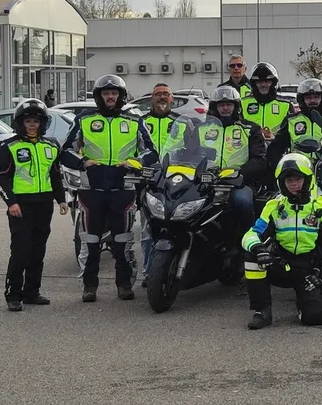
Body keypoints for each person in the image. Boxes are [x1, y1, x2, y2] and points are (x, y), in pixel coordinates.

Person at [60, 75, 157, 302]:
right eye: (106, 93)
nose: (110, 97)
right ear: (99, 97)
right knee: (90, 241)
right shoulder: (84, 120)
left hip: (123, 190)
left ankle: (124, 285)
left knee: (122, 241)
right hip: (91, 190)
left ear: (121, 96)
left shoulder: (134, 121)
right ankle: (89, 286)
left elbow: (152, 152)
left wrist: (135, 163)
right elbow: (65, 151)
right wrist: (83, 163)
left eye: (114, 93)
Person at [241, 153, 322, 330]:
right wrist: (259, 249)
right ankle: (262, 311)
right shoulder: (273, 207)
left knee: (313, 318)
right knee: (251, 255)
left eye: (298, 179)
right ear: (282, 183)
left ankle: (306, 302)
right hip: (281, 265)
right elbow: (250, 235)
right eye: (289, 180)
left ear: (307, 180)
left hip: (309, 269)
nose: (293, 184)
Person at [0, 99, 68, 311]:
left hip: (44, 205)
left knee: (38, 250)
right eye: (28, 121)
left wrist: (62, 199)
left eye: (36, 121)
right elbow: (0, 178)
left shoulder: (51, 145)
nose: (32, 125)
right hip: (21, 206)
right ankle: (13, 295)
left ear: (42, 123)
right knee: (21, 250)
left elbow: (55, 176)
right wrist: (11, 203)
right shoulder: (9, 146)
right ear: (21, 123)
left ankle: (32, 292)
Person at [177, 86, 266, 238]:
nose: (225, 108)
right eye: (221, 105)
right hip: (205, 182)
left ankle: (247, 241)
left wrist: (239, 174)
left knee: (243, 202)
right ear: (214, 107)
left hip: (238, 182)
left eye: (229, 104)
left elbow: (259, 160)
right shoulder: (202, 128)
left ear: (236, 106)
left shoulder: (250, 128)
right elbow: (190, 154)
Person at [137, 82, 180, 281]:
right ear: (151, 99)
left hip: (176, 183)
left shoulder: (182, 123)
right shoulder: (141, 122)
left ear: (171, 98)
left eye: (166, 94)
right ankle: (149, 273)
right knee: (148, 231)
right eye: (157, 94)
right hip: (149, 183)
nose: (162, 97)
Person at [267, 78, 322, 171]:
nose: (312, 101)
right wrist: (283, 168)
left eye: (316, 97)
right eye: (308, 98)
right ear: (302, 100)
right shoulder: (291, 120)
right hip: (299, 169)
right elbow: (276, 149)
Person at [240, 62, 292, 141]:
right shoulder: (242, 103)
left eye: (267, 81)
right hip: (250, 150)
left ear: (274, 83)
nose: (263, 84)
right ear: (254, 84)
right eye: (259, 82)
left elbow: (292, 133)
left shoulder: (286, 104)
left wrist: (276, 139)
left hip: (277, 150)